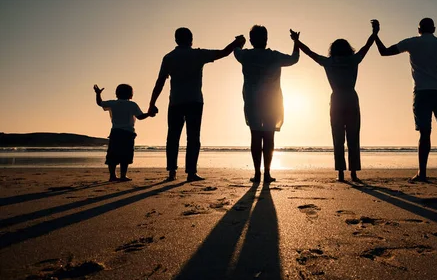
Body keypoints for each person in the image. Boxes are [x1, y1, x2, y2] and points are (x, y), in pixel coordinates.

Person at [373, 18, 437, 182]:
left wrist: (375, 35)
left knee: (425, 133)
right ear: (434, 29)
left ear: (419, 29)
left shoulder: (412, 43)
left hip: (422, 92)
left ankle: (422, 173)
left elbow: (384, 52)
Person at [149, 27, 245, 182]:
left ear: (176, 40)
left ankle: (172, 172)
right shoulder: (198, 54)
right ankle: (191, 172)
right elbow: (223, 52)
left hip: (176, 101)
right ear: (191, 39)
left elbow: (160, 82)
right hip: (194, 101)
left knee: (173, 137)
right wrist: (237, 42)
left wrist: (152, 104)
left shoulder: (169, 57)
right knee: (193, 137)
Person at [292, 22, 377, 182]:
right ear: (348, 49)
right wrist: (374, 33)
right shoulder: (353, 60)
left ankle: (340, 173)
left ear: (333, 50)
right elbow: (367, 46)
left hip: (337, 98)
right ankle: (353, 173)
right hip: (351, 98)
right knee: (353, 136)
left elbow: (310, 53)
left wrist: (296, 41)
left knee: (337, 137)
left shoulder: (328, 62)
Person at [234, 25, 299, 183]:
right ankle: (267, 173)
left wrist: (239, 42)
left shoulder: (246, 55)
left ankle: (257, 173)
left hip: (252, 102)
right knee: (269, 137)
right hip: (272, 103)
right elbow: (294, 58)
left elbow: (236, 50)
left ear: (251, 40)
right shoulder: (274, 56)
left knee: (255, 136)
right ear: (266, 39)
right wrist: (296, 41)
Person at [94, 84, 155, 182]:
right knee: (125, 155)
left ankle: (112, 176)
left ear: (116, 94)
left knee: (112, 155)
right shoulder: (132, 104)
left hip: (115, 132)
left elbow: (100, 103)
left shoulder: (113, 103)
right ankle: (123, 175)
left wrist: (98, 94)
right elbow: (140, 117)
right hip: (128, 133)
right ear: (131, 95)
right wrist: (149, 114)